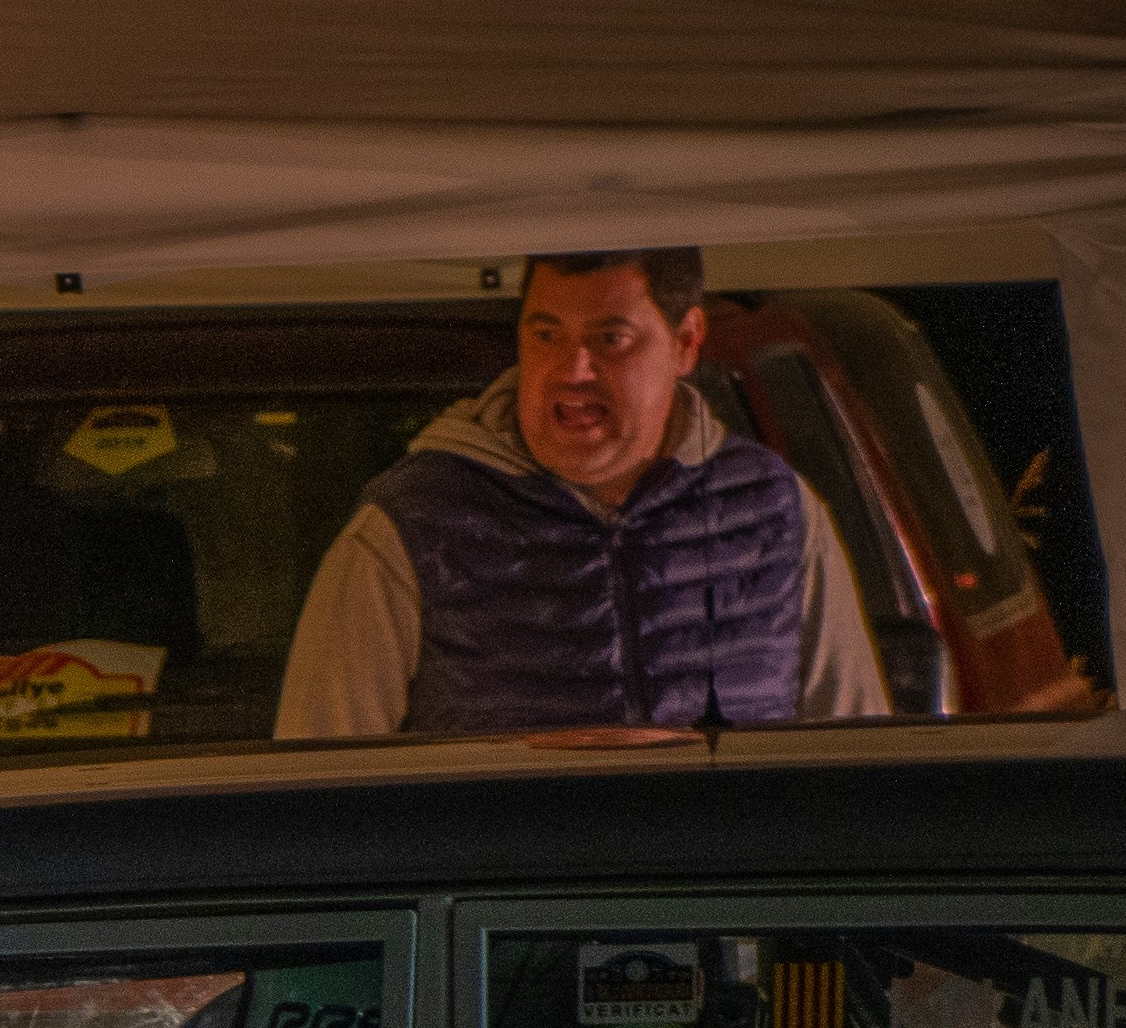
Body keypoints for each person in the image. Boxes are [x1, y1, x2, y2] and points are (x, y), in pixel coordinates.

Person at [274, 247, 886, 738]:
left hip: (725, 893)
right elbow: (319, 796)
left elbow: (858, 758)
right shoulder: (408, 529)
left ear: (686, 342)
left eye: (610, 338)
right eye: (546, 335)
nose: (572, 371)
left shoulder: (775, 510)